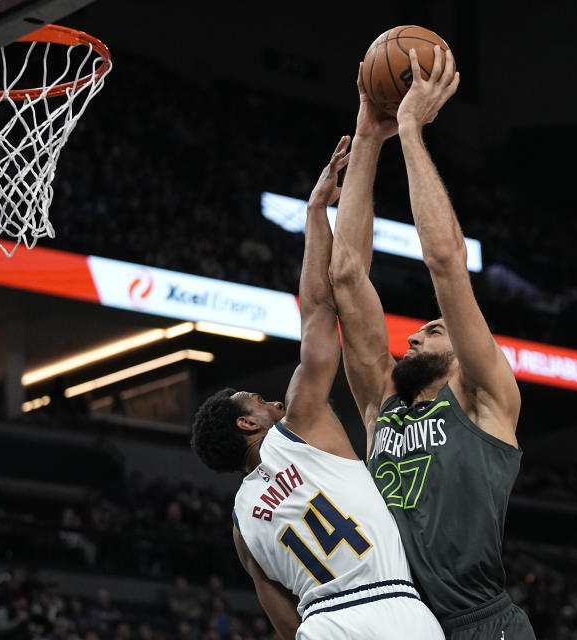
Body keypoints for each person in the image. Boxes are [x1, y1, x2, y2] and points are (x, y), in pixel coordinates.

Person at [190, 138, 443, 640]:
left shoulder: (241, 527)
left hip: (322, 626)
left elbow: (285, 624)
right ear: (248, 424)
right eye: (258, 401)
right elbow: (318, 314)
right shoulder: (296, 429)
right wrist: (314, 212)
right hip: (390, 607)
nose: (273, 402)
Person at [328, 46, 537, 639]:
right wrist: (369, 136)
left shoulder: (485, 400)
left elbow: (445, 262)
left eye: (433, 330)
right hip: (397, 625)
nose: (415, 333)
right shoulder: (379, 406)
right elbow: (346, 278)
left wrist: (412, 131)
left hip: (478, 622)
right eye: (416, 332)